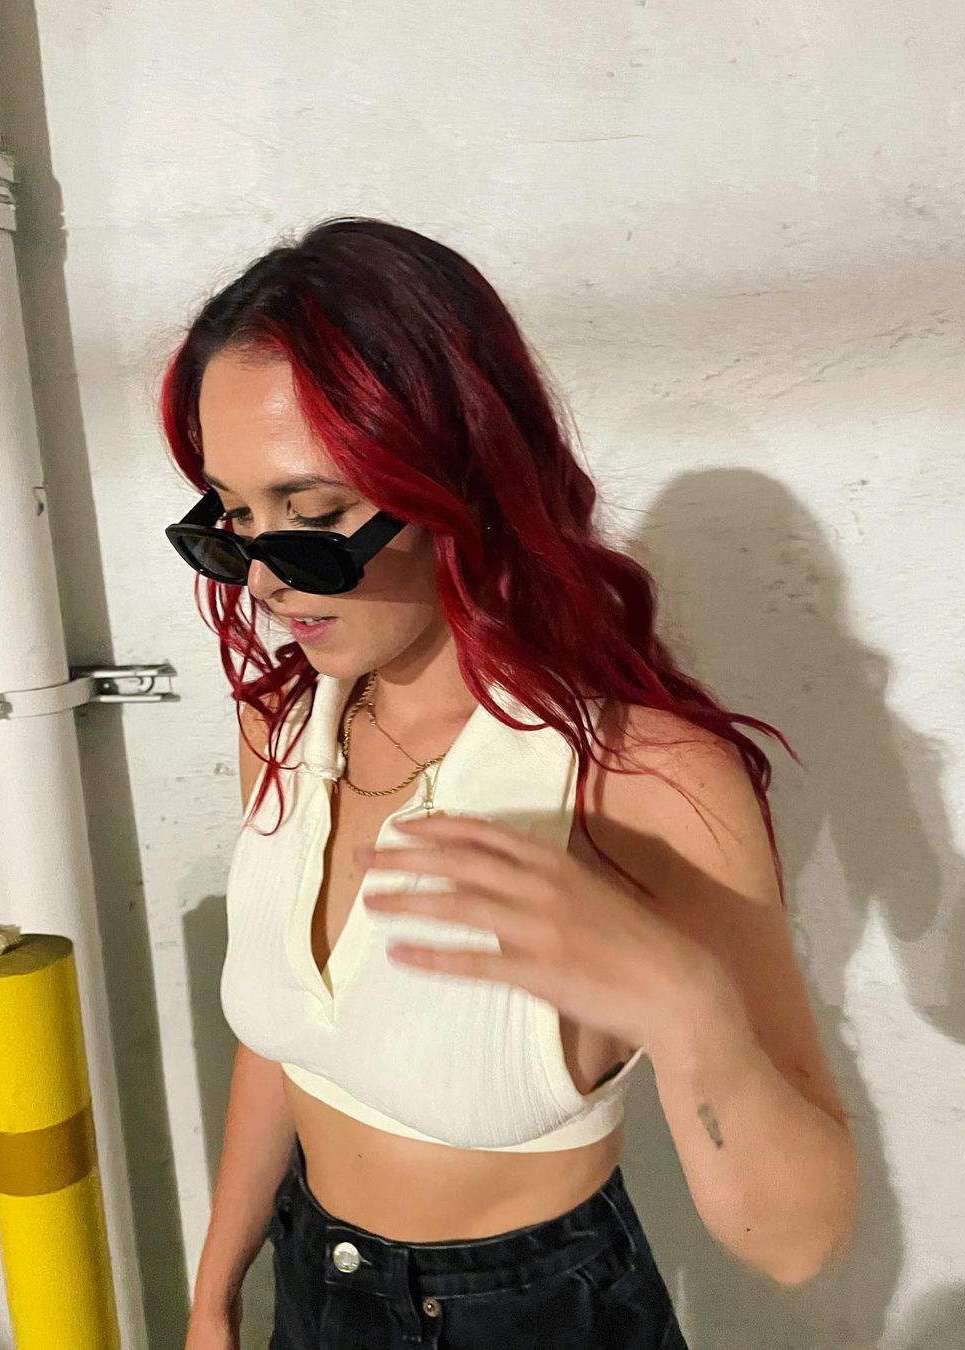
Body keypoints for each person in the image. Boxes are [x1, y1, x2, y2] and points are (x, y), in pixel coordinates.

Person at [166, 217, 858, 1349]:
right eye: (233, 517)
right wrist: (213, 1294)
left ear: (463, 480)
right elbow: (285, 1042)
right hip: (311, 1286)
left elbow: (799, 1243)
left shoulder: (640, 781)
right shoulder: (283, 725)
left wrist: (683, 1002)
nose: (263, 580)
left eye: (315, 517)